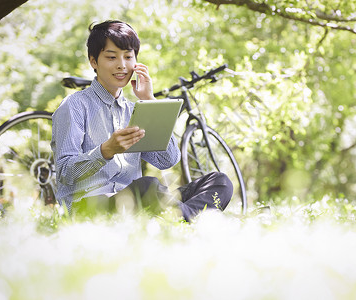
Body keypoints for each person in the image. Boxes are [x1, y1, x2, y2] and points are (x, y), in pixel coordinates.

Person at [51, 20, 232, 221]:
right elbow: (65, 173)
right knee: (147, 186)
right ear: (94, 61)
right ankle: (205, 221)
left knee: (220, 182)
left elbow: (167, 160)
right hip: (89, 205)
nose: (121, 65)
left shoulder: (133, 110)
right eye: (111, 57)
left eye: (128, 57)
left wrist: (149, 101)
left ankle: (183, 218)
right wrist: (106, 150)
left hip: (136, 201)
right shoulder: (74, 106)